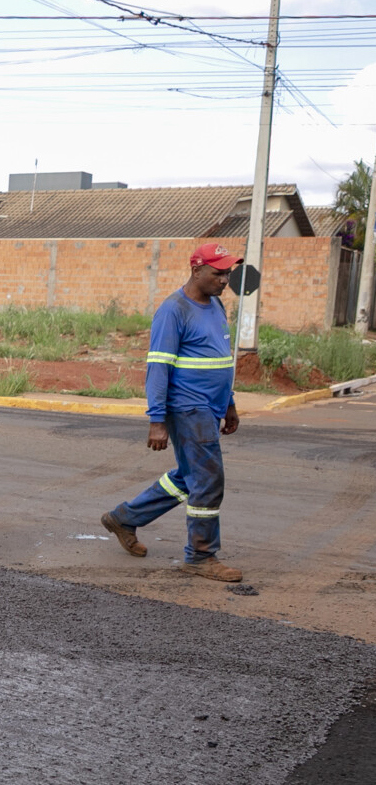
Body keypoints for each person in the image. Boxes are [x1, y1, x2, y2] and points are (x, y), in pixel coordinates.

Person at [100, 243, 243, 583]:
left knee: (191, 475)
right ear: (196, 271)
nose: (224, 280)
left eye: (227, 273)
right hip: (187, 406)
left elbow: (219, 359)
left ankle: (124, 517)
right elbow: (158, 368)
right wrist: (157, 420)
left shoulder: (217, 305)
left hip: (211, 406)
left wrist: (230, 403)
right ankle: (201, 555)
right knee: (208, 480)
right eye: (217, 273)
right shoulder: (173, 310)